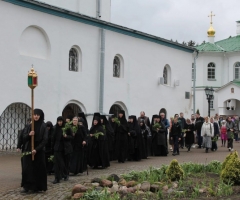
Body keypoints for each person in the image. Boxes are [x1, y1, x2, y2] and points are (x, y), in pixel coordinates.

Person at [21, 109, 48, 193]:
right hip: (29, 149)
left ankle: (37, 186)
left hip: (39, 151)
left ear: (40, 116)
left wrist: (36, 149)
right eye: (34, 114)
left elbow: (45, 140)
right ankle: (27, 186)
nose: (36, 116)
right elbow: (23, 137)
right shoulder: (29, 125)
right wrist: (29, 135)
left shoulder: (44, 126)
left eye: (37, 115)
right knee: (27, 168)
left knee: (38, 169)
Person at [52, 116, 73, 184]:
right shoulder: (55, 128)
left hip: (65, 147)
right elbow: (53, 138)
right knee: (57, 163)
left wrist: (66, 136)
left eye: (61, 121)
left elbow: (71, 137)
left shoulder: (66, 128)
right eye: (58, 121)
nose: (59, 123)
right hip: (57, 147)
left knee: (63, 163)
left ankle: (65, 174)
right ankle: (57, 178)